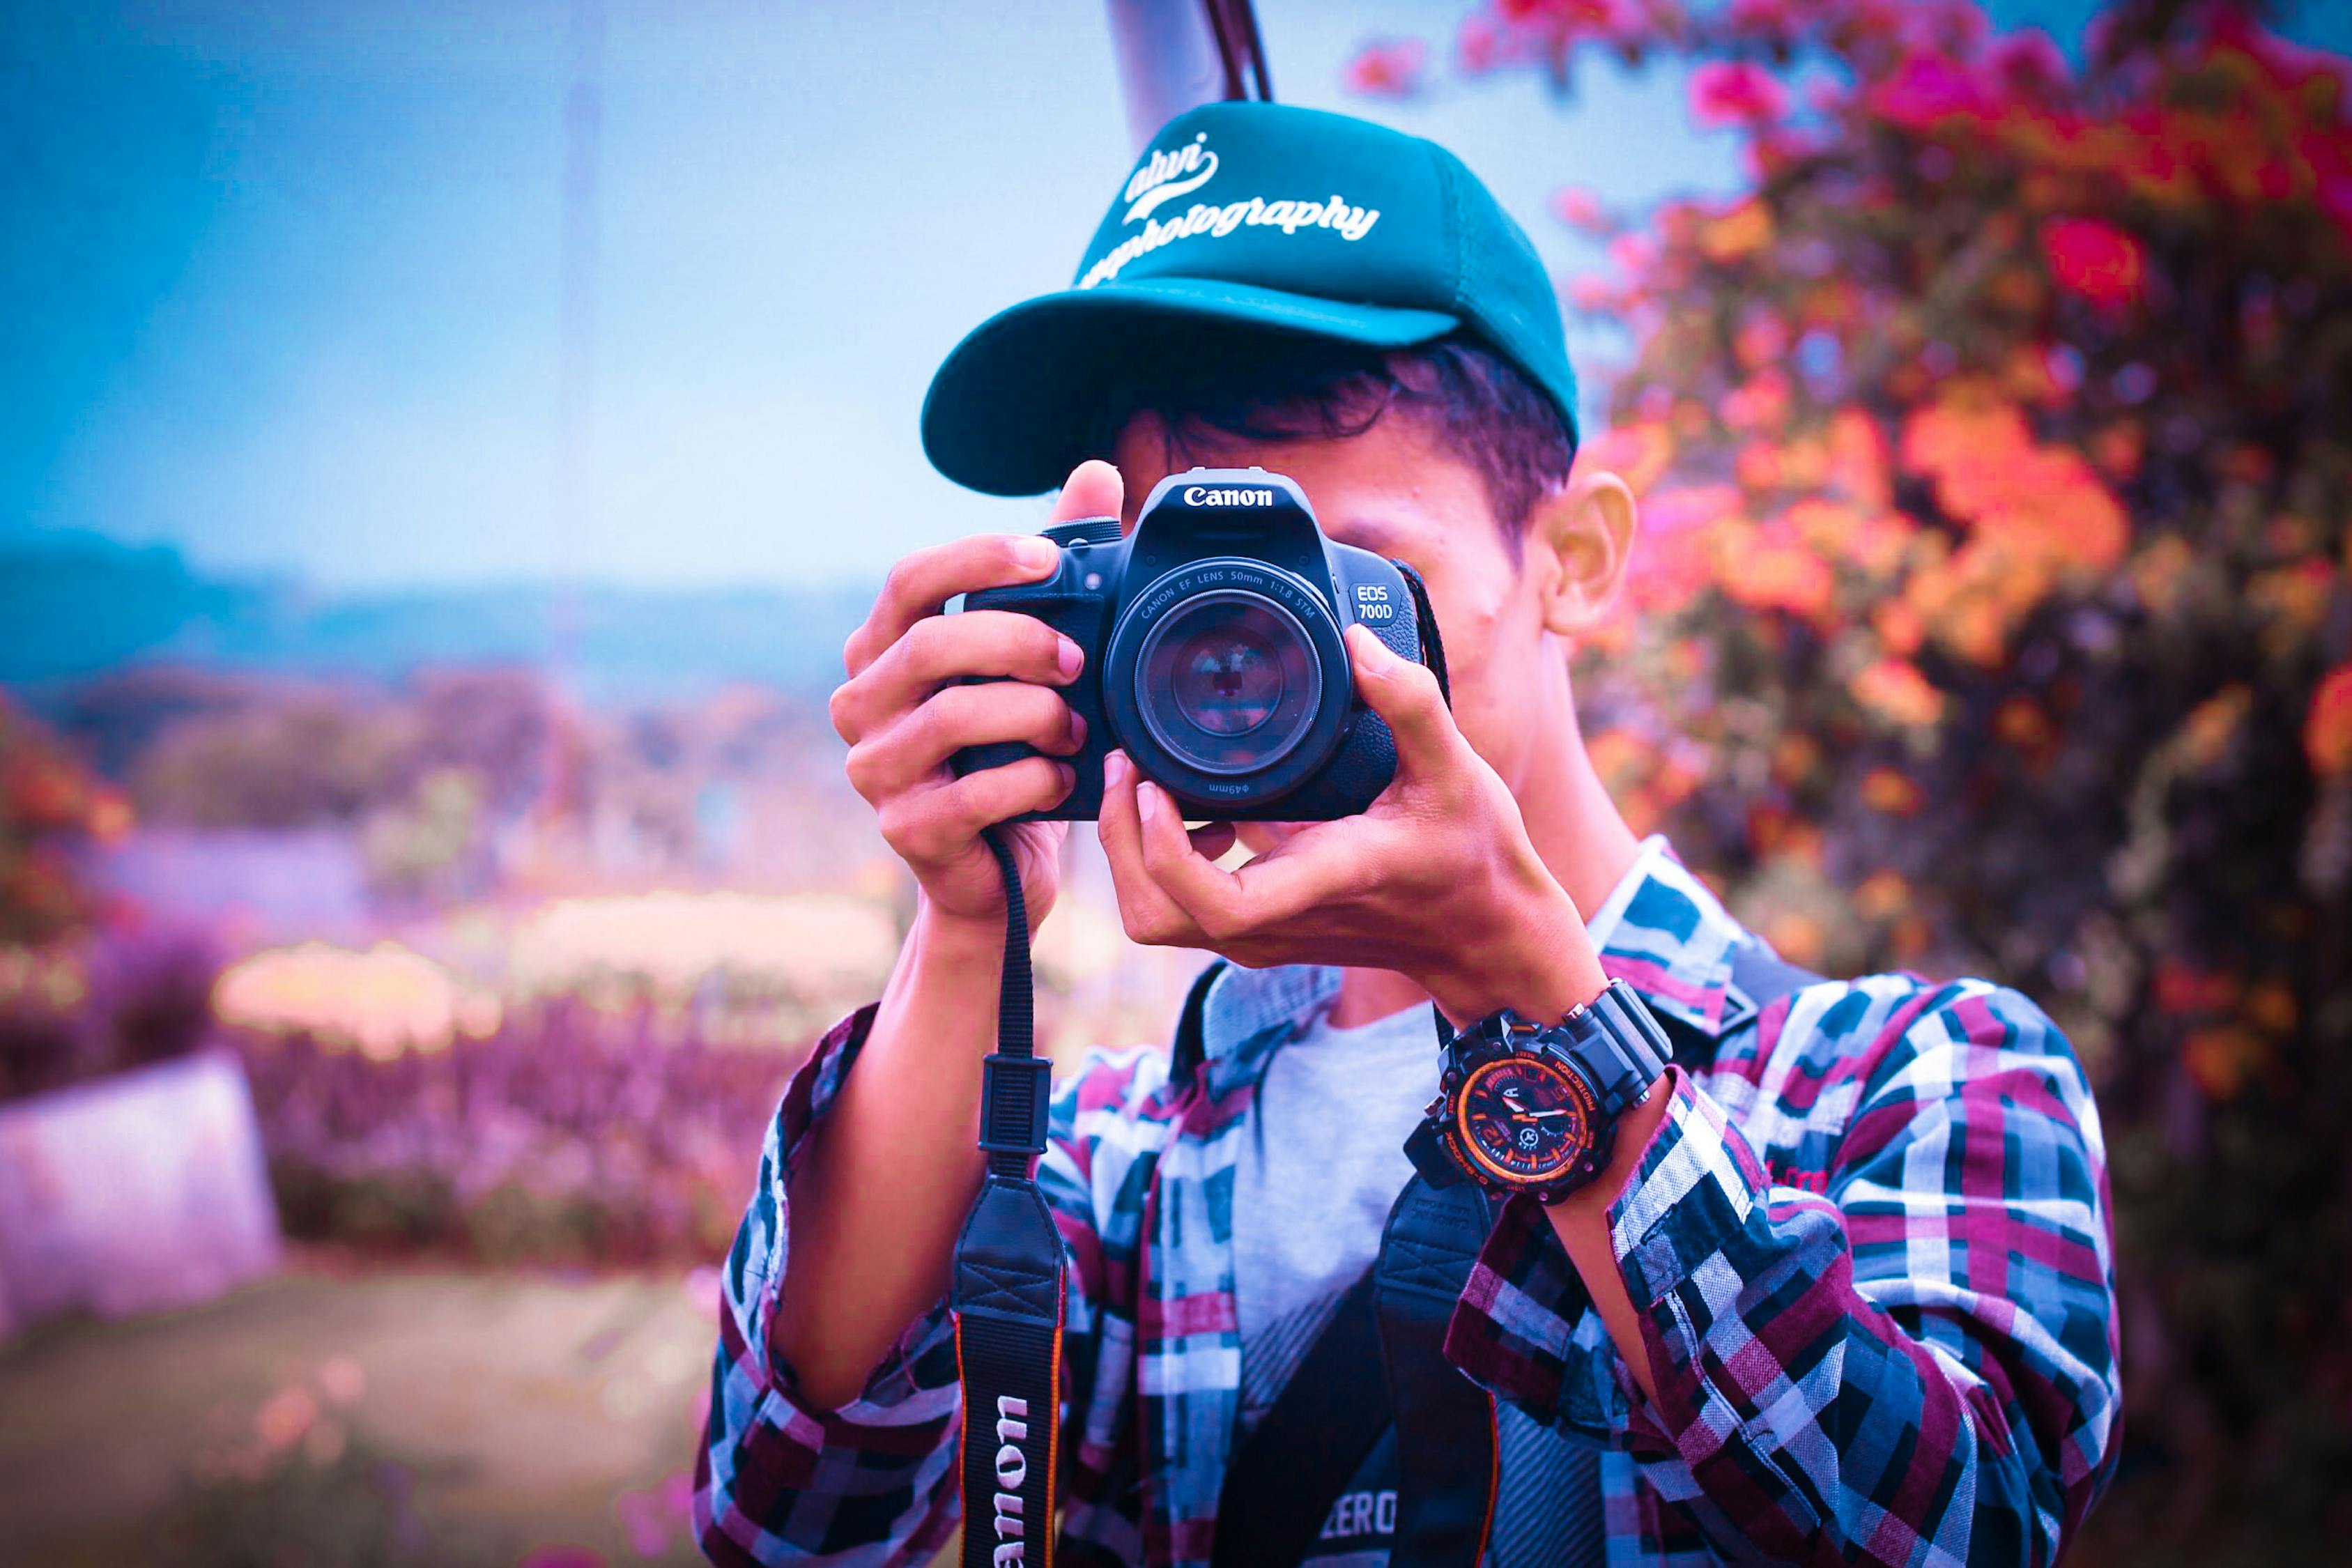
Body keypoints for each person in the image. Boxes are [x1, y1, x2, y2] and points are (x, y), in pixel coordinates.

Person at [695, 101, 2121, 1567]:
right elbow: (789, 1526)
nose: (1260, 655)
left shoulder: (1905, 1079)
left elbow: (1968, 1535)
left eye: (1346, 578)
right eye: (1190, 594)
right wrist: (965, 920)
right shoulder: (1119, 1160)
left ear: (1573, 561)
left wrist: (1537, 1013)